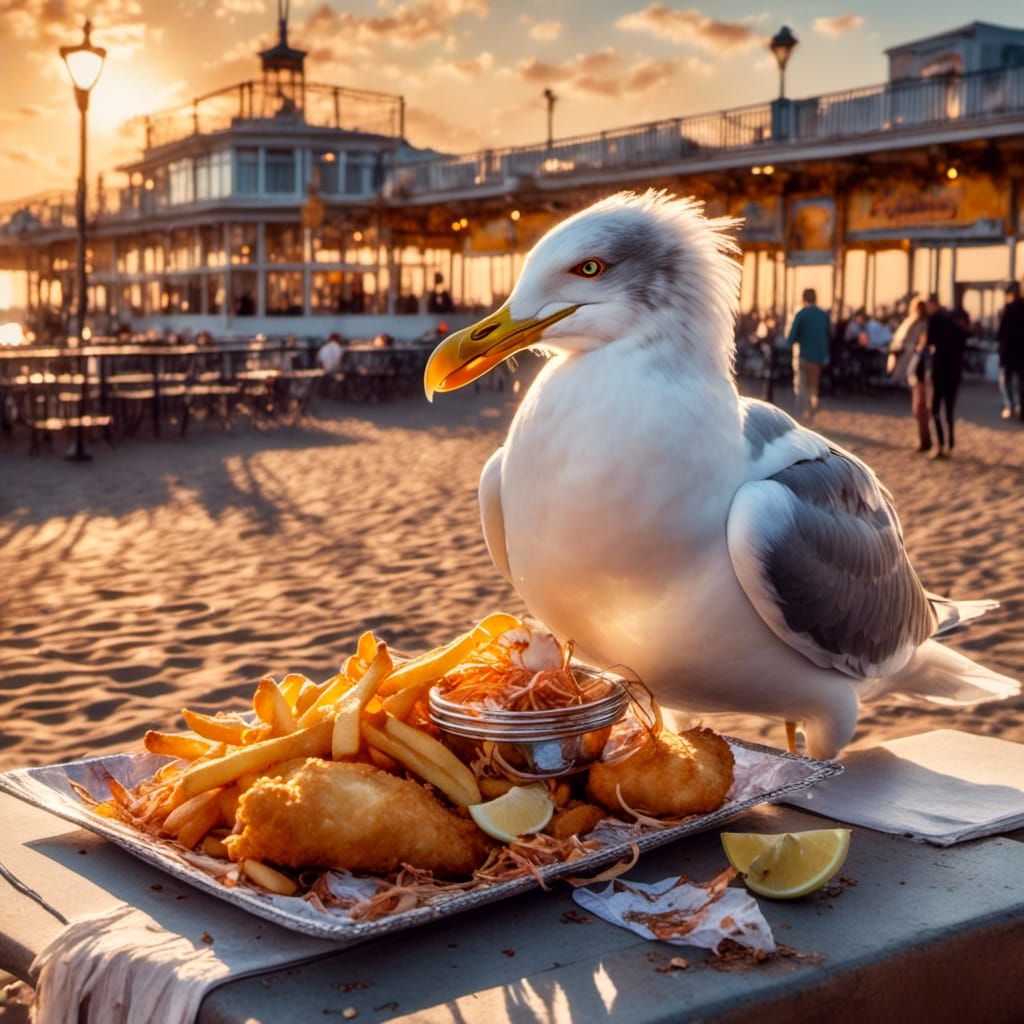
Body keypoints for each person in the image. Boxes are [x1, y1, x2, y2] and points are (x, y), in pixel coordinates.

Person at [925, 294, 967, 458]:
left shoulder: (935, 320)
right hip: (955, 371)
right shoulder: (955, 324)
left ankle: (940, 445)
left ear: (931, 304)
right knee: (949, 409)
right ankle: (950, 444)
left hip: (940, 369)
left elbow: (929, 342)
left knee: (935, 408)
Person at [786, 288, 830, 420]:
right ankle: (813, 405)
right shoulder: (823, 315)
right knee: (813, 385)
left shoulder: (801, 314)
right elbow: (829, 334)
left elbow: (791, 337)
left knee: (801, 385)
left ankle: (802, 414)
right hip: (818, 356)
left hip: (803, 354)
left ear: (803, 299)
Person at [996, 281, 1024, 420]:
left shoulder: (1007, 310)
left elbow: (1000, 333)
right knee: (1021, 382)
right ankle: (1020, 408)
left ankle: (1010, 406)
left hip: (1008, 352)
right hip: (1021, 353)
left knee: (1005, 381)